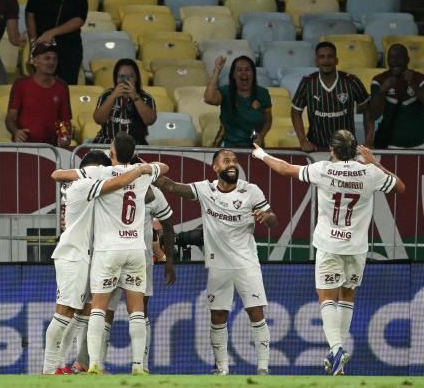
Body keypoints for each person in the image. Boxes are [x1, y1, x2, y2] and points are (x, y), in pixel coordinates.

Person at [251, 129, 405, 376]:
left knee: (326, 298)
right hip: (357, 247)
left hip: (330, 244)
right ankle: (338, 361)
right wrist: (376, 163)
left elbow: (284, 169)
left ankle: (336, 349)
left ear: (332, 150)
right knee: (347, 297)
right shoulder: (370, 172)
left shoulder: (322, 169)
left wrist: (261, 154)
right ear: (356, 149)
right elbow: (400, 187)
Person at [154, 148, 278, 376]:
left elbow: (272, 219)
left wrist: (266, 217)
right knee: (218, 316)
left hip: (246, 263)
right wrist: (142, 168)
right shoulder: (205, 189)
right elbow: (170, 186)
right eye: (226, 160)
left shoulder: (251, 191)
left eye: (235, 161)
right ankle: (222, 369)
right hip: (218, 266)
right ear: (215, 167)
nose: (232, 164)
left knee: (256, 313)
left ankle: (263, 368)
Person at [41, 150, 160, 375]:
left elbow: (143, 196)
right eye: (104, 172)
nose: (108, 176)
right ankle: (49, 368)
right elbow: (123, 182)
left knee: (81, 313)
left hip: (87, 255)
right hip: (73, 255)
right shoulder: (84, 185)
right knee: (64, 311)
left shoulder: (85, 185)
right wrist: (141, 170)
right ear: (93, 171)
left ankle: (61, 365)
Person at [98, 176, 176, 374]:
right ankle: (98, 365)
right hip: (113, 255)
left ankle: (142, 365)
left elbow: (167, 224)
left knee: (141, 310)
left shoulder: (153, 192)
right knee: (106, 310)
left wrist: (169, 260)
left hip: (140, 258)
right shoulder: (110, 186)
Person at [291, 42, 371, 152]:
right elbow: (295, 112)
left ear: (336, 60)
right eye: (322, 57)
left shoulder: (351, 81)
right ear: (316, 61)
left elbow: (368, 111)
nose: (326, 60)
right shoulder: (308, 82)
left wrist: (369, 141)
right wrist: (303, 141)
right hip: (317, 148)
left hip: (346, 149)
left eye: (330, 56)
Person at [26, 0, 88, 85]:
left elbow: (79, 19)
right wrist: (34, 43)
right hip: (43, 45)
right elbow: (30, 14)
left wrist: (52, 32)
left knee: (66, 86)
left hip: (69, 47)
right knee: (42, 85)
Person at [369, 44, 424, 149]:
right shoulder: (379, 80)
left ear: (407, 60)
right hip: (391, 145)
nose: (394, 61)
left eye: (399, 57)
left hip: (423, 144)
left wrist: (413, 84)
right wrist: (381, 92)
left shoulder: (420, 79)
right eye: (391, 58)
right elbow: (374, 115)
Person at [5, 41, 72, 147]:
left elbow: (62, 121)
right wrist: (16, 131)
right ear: (35, 62)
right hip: (24, 147)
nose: (51, 62)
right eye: (47, 58)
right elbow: (11, 118)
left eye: (54, 59)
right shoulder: (21, 85)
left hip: (51, 149)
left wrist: (63, 136)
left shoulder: (62, 87)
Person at [203, 55, 272, 148]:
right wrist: (217, 71)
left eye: (247, 70)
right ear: (233, 75)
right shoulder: (225, 92)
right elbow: (209, 98)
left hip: (254, 147)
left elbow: (268, 121)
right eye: (239, 70)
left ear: (253, 73)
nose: (244, 73)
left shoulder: (263, 93)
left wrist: (261, 136)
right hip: (227, 146)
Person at [92, 59, 157, 145]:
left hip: (136, 146)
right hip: (107, 144)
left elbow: (150, 121)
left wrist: (135, 97)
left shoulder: (146, 98)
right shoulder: (107, 95)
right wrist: (113, 96)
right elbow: (98, 119)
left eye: (130, 76)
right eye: (121, 76)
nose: (126, 80)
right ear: (116, 78)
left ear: (136, 78)